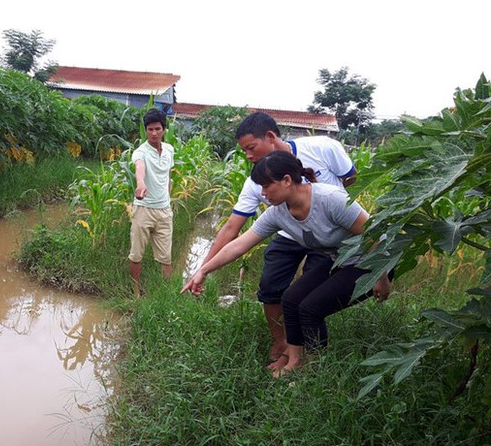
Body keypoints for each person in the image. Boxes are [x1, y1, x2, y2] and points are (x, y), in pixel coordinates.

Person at [182, 151, 392, 376]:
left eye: (266, 186)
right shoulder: (278, 213)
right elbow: (240, 244)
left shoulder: (331, 199)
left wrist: (381, 276)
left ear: (287, 180)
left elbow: (374, 235)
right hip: (337, 259)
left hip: (372, 261)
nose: (263, 193)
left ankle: (313, 369)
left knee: (311, 308)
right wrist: (203, 270)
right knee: (291, 300)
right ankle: (294, 359)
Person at [197, 111, 357, 369]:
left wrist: (330, 209)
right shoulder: (266, 194)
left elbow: (352, 182)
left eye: (251, 148)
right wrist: (204, 267)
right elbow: (235, 232)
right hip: (289, 230)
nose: (248, 156)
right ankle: (285, 348)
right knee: (277, 290)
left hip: (332, 237)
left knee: (311, 299)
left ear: (270, 137)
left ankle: (309, 359)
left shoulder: (324, 152)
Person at [128, 108, 174, 296]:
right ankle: (135, 292)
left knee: (166, 258)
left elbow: (168, 177)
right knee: (136, 254)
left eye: (157, 129)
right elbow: (140, 168)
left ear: (164, 129)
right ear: (145, 130)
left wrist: (168, 199)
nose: (154, 133)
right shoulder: (141, 152)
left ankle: (165, 295)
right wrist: (140, 184)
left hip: (164, 211)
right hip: (143, 209)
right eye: (150, 129)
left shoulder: (169, 150)